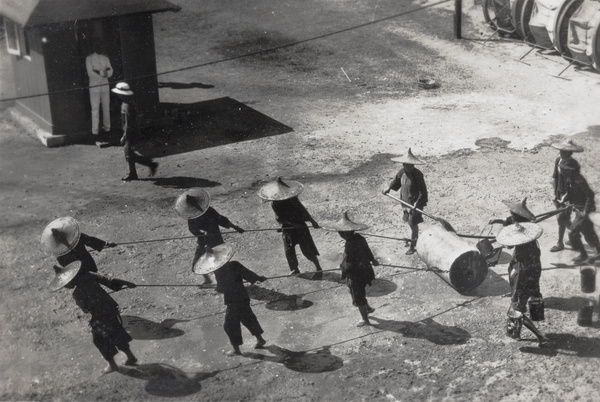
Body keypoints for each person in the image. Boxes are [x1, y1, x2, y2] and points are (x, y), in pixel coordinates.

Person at [49, 261, 138, 374]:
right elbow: (111, 282)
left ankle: (112, 365)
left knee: (99, 340)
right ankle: (130, 357)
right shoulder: (90, 275)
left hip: (99, 317)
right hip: (111, 310)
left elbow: (85, 310)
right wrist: (128, 283)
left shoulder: (77, 294)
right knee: (117, 332)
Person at [194, 244, 267, 356]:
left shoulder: (219, 271)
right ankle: (259, 338)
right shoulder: (235, 264)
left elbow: (222, 288)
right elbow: (249, 275)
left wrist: (217, 288)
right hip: (243, 296)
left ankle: (236, 349)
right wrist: (259, 278)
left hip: (233, 300)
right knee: (247, 317)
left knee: (230, 325)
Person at [174, 188, 245, 285]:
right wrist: (202, 233)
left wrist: (236, 228)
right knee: (198, 263)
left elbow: (222, 220)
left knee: (218, 264)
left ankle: (222, 283)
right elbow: (194, 230)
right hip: (204, 242)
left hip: (215, 241)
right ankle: (210, 280)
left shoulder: (209, 211)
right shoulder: (192, 217)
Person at [496, 220, 549, 347]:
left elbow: (518, 277)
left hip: (521, 286)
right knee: (518, 309)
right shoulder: (533, 247)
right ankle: (517, 334)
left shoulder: (520, 260)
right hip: (532, 282)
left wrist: (514, 294)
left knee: (517, 311)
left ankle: (540, 336)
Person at [322, 211, 379, 327]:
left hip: (355, 275)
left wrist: (341, 266)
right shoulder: (360, 238)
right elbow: (367, 250)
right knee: (360, 291)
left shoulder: (350, 245)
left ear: (344, 233)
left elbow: (348, 264)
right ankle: (367, 308)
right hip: (365, 270)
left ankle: (365, 319)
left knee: (358, 296)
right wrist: (373, 260)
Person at [258, 177, 322, 275]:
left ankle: (318, 268)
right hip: (288, 228)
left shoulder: (293, 199)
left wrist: (312, 221)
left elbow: (302, 210)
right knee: (289, 251)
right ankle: (295, 269)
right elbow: (280, 218)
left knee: (307, 250)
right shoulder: (275, 203)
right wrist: (290, 224)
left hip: (300, 227)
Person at [382, 148, 428, 255]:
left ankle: (413, 246)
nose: (409, 167)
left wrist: (418, 203)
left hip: (415, 204)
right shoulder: (401, 172)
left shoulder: (418, 175)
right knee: (409, 222)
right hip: (405, 202)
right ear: (403, 165)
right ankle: (413, 239)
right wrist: (388, 188)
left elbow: (423, 191)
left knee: (413, 224)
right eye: (407, 165)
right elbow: (396, 182)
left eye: (411, 165)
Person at [111, 82, 158, 181]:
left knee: (129, 154)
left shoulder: (127, 105)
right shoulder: (127, 103)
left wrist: (125, 136)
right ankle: (134, 172)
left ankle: (149, 164)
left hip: (130, 133)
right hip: (131, 131)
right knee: (128, 153)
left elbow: (129, 124)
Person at [557, 158, 600, 263]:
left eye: (563, 169)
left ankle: (583, 255)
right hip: (578, 208)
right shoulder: (569, 178)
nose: (561, 171)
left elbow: (590, 195)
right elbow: (570, 192)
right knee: (589, 232)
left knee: (573, 233)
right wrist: (565, 199)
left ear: (570, 170)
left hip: (584, 210)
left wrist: (585, 210)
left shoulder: (579, 180)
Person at [40, 216, 117, 273]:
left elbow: (90, 240)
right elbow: (64, 265)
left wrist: (107, 244)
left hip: (87, 266)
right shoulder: (59, 251)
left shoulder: (75, 237)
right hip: (78, 272)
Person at [549, 139, 584, 252]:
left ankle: (560, 243)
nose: (562, 153)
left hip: (570, 195)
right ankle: (574, 233)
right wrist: (554, 193)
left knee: (562, 218)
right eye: (561, 151)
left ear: (570, 153)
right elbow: (555, 177)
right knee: (563, 218)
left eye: (565, 151)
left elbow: (573, 184)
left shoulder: (574, 165)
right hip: (559, 193)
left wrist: (567, 198)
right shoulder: (558, 160)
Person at [86, 41, 113, 138]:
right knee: (95, 109)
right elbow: (90, 73)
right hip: (94, 87)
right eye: (97, 45)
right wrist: (103, 74)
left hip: (105, 86)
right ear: (94, 47)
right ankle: (95, 131)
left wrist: (99, 72)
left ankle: (107, 129)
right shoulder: (89, 59)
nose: (99, 47)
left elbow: (111, 72)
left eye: (100, 45)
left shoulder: (106, 58)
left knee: (106, 108)